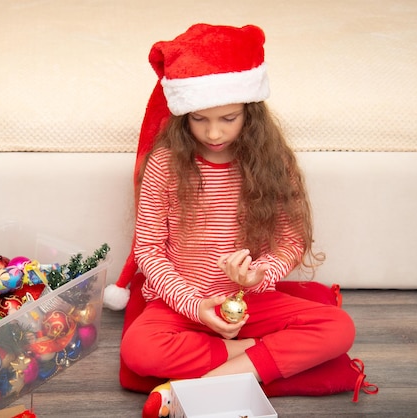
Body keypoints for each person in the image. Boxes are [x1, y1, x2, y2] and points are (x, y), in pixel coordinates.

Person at [103, 24, 356, 417]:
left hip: (249, 301)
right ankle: (252, 360)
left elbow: (290, 241)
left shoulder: (274, 164)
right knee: (138, 350)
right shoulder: (165, 165)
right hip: (183, 302)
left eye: (228, 118)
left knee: (340, 329)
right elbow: (149, 251)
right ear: (183, 115)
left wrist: (259, 275)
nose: (214, 132)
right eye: (200, 119)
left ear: (250, 113)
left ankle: (200, 386)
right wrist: (194, 305)